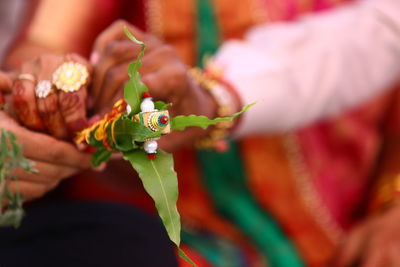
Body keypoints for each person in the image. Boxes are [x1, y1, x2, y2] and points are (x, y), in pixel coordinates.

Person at [2, 0, 400, 266]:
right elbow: (42, 50)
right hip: (166, 229)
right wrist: (47, 100)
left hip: (355, 224)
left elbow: (382, 31)